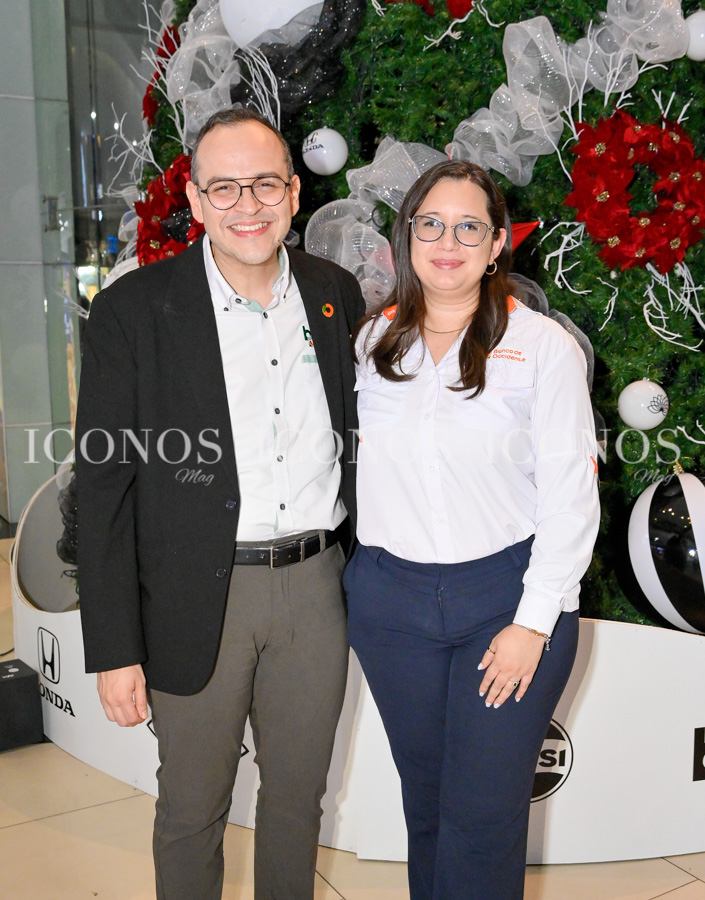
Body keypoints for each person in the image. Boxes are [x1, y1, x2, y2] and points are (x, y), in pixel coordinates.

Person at [76, 108, 365, 900]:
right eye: (224, 188)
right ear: (195, 201)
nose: (247, 205)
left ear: (294, 193)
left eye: (265, 184)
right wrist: (113, 647)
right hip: (192, 594)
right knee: (191, 809)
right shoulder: (135, 310)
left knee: (298, 803)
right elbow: (102, 489)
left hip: (314, 589)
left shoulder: (333, 294)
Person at [344, 160, 600, 900]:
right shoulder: (373, 340)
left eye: (468, 227)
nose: (447, 242)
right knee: (425, 803)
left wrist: (532, 622)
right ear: (407, 237)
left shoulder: (541, 345)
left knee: (482, 816)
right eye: (430, 224)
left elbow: (571, 495)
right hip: (391, 605)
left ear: (496, 244)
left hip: (505, 601)